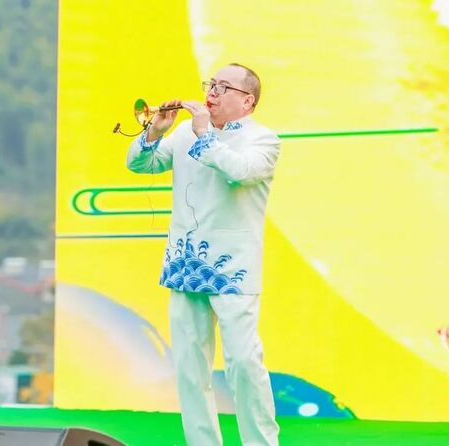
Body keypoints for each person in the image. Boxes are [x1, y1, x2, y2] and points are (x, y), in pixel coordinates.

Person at [127, 63, 280, 446]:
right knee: (190, 369)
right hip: (185, 263)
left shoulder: (263, 140)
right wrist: (155, 131)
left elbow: (239, 172)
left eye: (224, 87)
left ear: (247, 101)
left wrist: (204, 133)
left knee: (243, 362)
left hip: (233, 269)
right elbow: (140, 164)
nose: (212, 92)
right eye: (211, 84)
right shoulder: (183, 132)